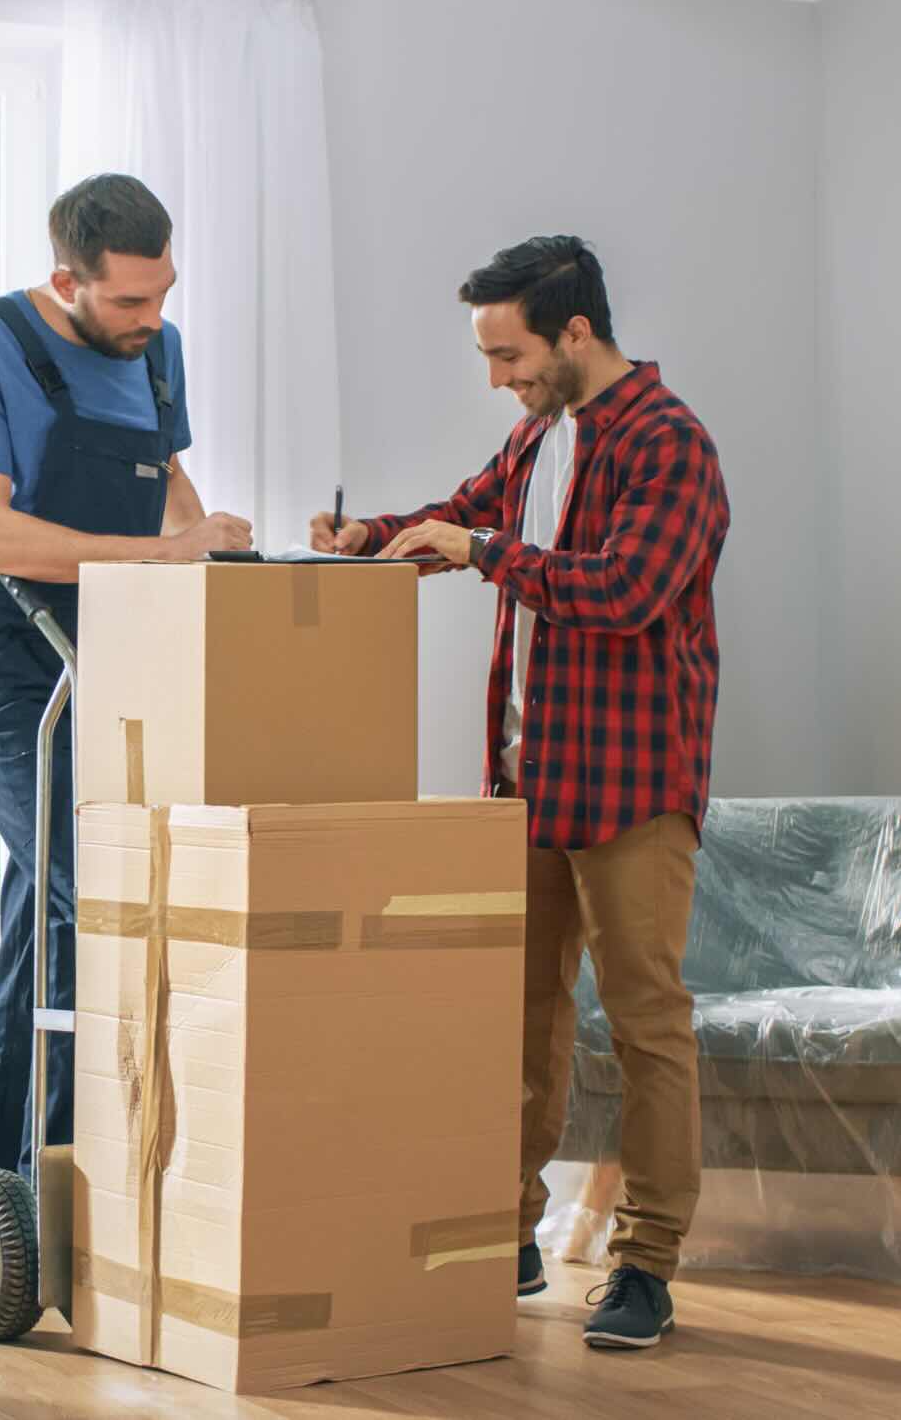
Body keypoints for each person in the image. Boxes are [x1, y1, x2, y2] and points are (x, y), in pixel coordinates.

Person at [311, 236, 729, 1350]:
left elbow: (628, 590)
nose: (499, 379)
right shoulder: (538, 437)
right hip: (528, 782)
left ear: (575, 332)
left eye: (509, 355)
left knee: (645, 1026)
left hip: (634, 786)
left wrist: (483, 546)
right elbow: (462, 518)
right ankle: (506, 1237)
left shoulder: (671, 445)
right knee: (519, 1019)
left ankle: (645, 1265)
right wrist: (374, 538)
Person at [0, 173, 251, 1180]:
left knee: (46, 914)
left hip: (118, 646)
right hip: (8, 655)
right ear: (66, 279)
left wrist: (223, 553)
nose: (150, 319)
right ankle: (86, 1165)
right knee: (96, 886)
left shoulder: (161, 351)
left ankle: (13, 1180)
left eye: (164, 296)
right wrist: (168, 555)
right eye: (127, 303)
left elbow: (168, 493)